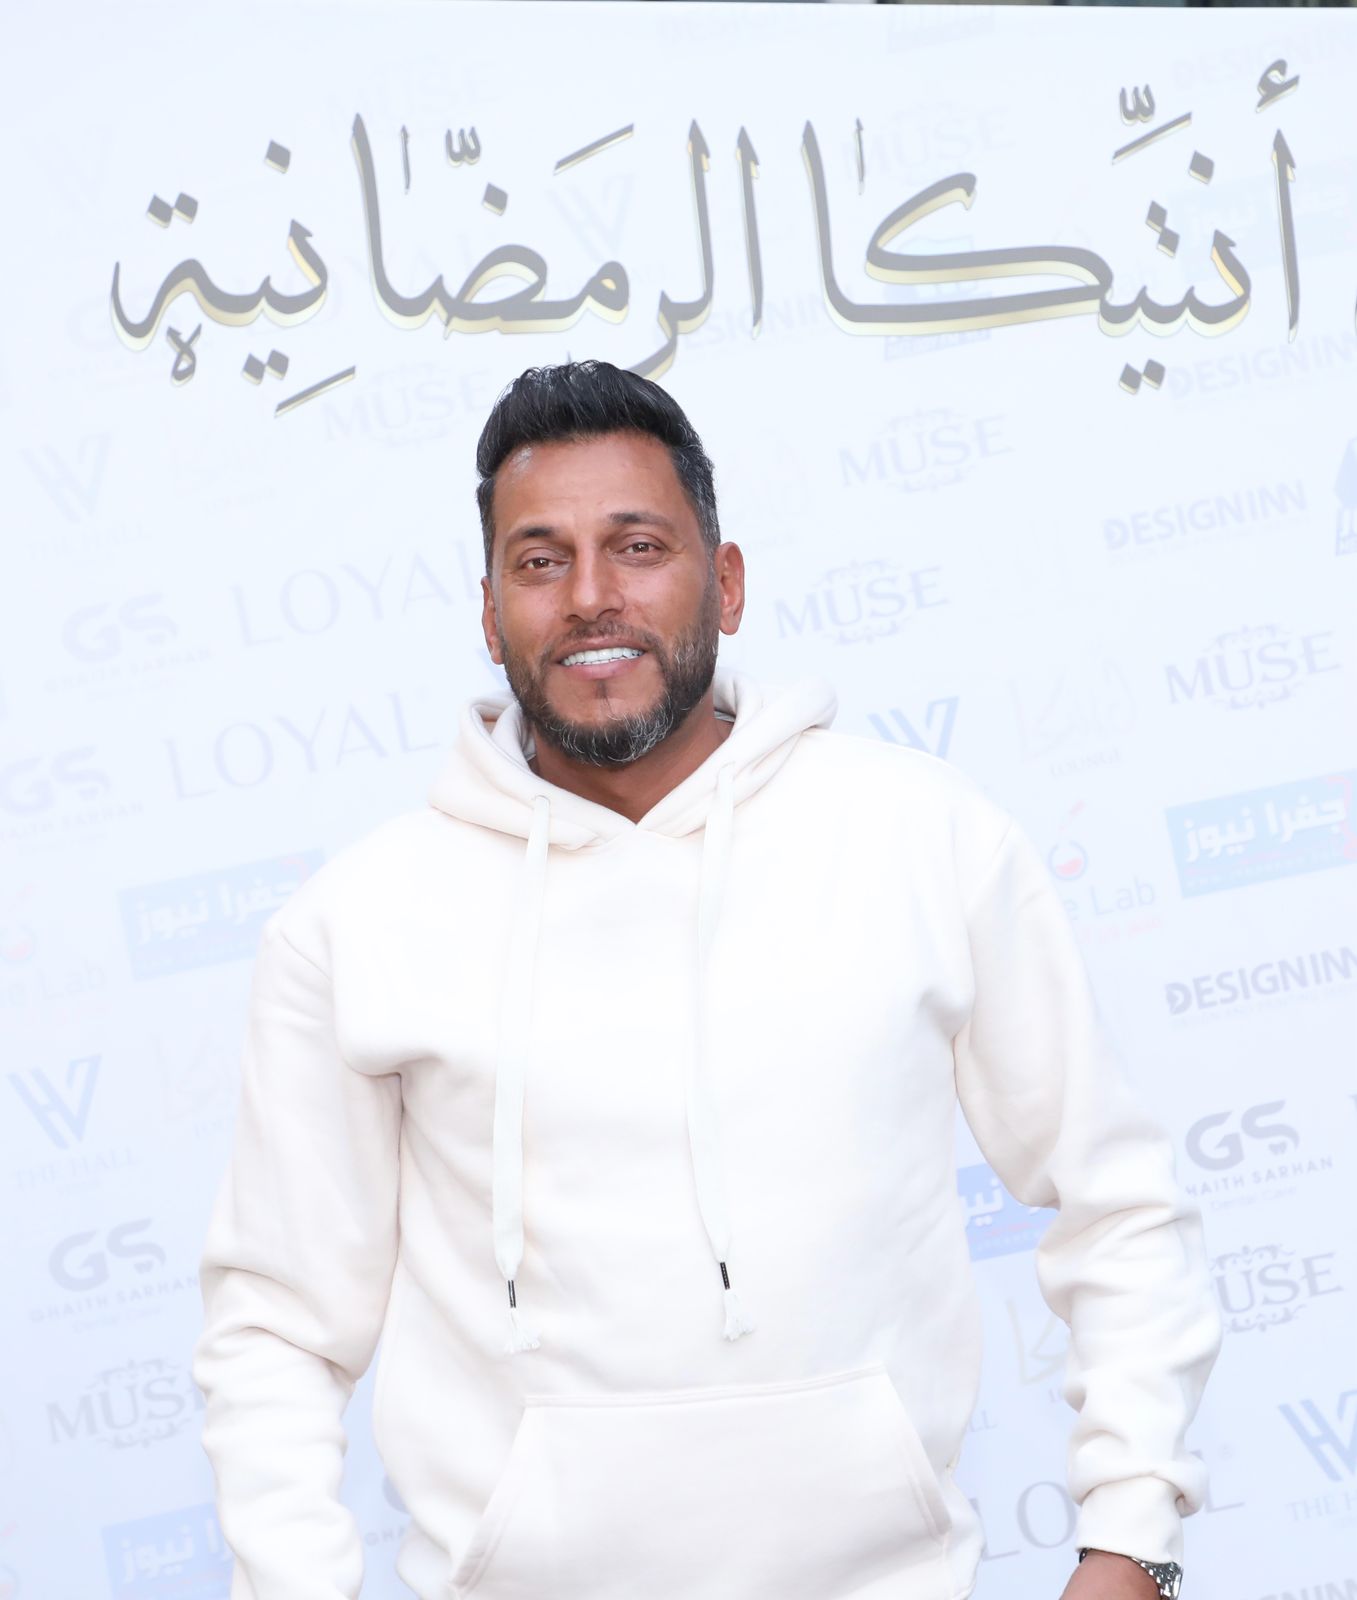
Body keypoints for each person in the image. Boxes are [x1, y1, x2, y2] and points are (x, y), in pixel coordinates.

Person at [192, 360, 1222, 1600]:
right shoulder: (357, 922)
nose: (590, 595)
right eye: (540, 559)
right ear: (489, 613)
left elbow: (1117, 1203)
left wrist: (1131, 1540)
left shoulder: (922, 839)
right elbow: (276, 1328)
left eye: (637, 547)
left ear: (724, 583)